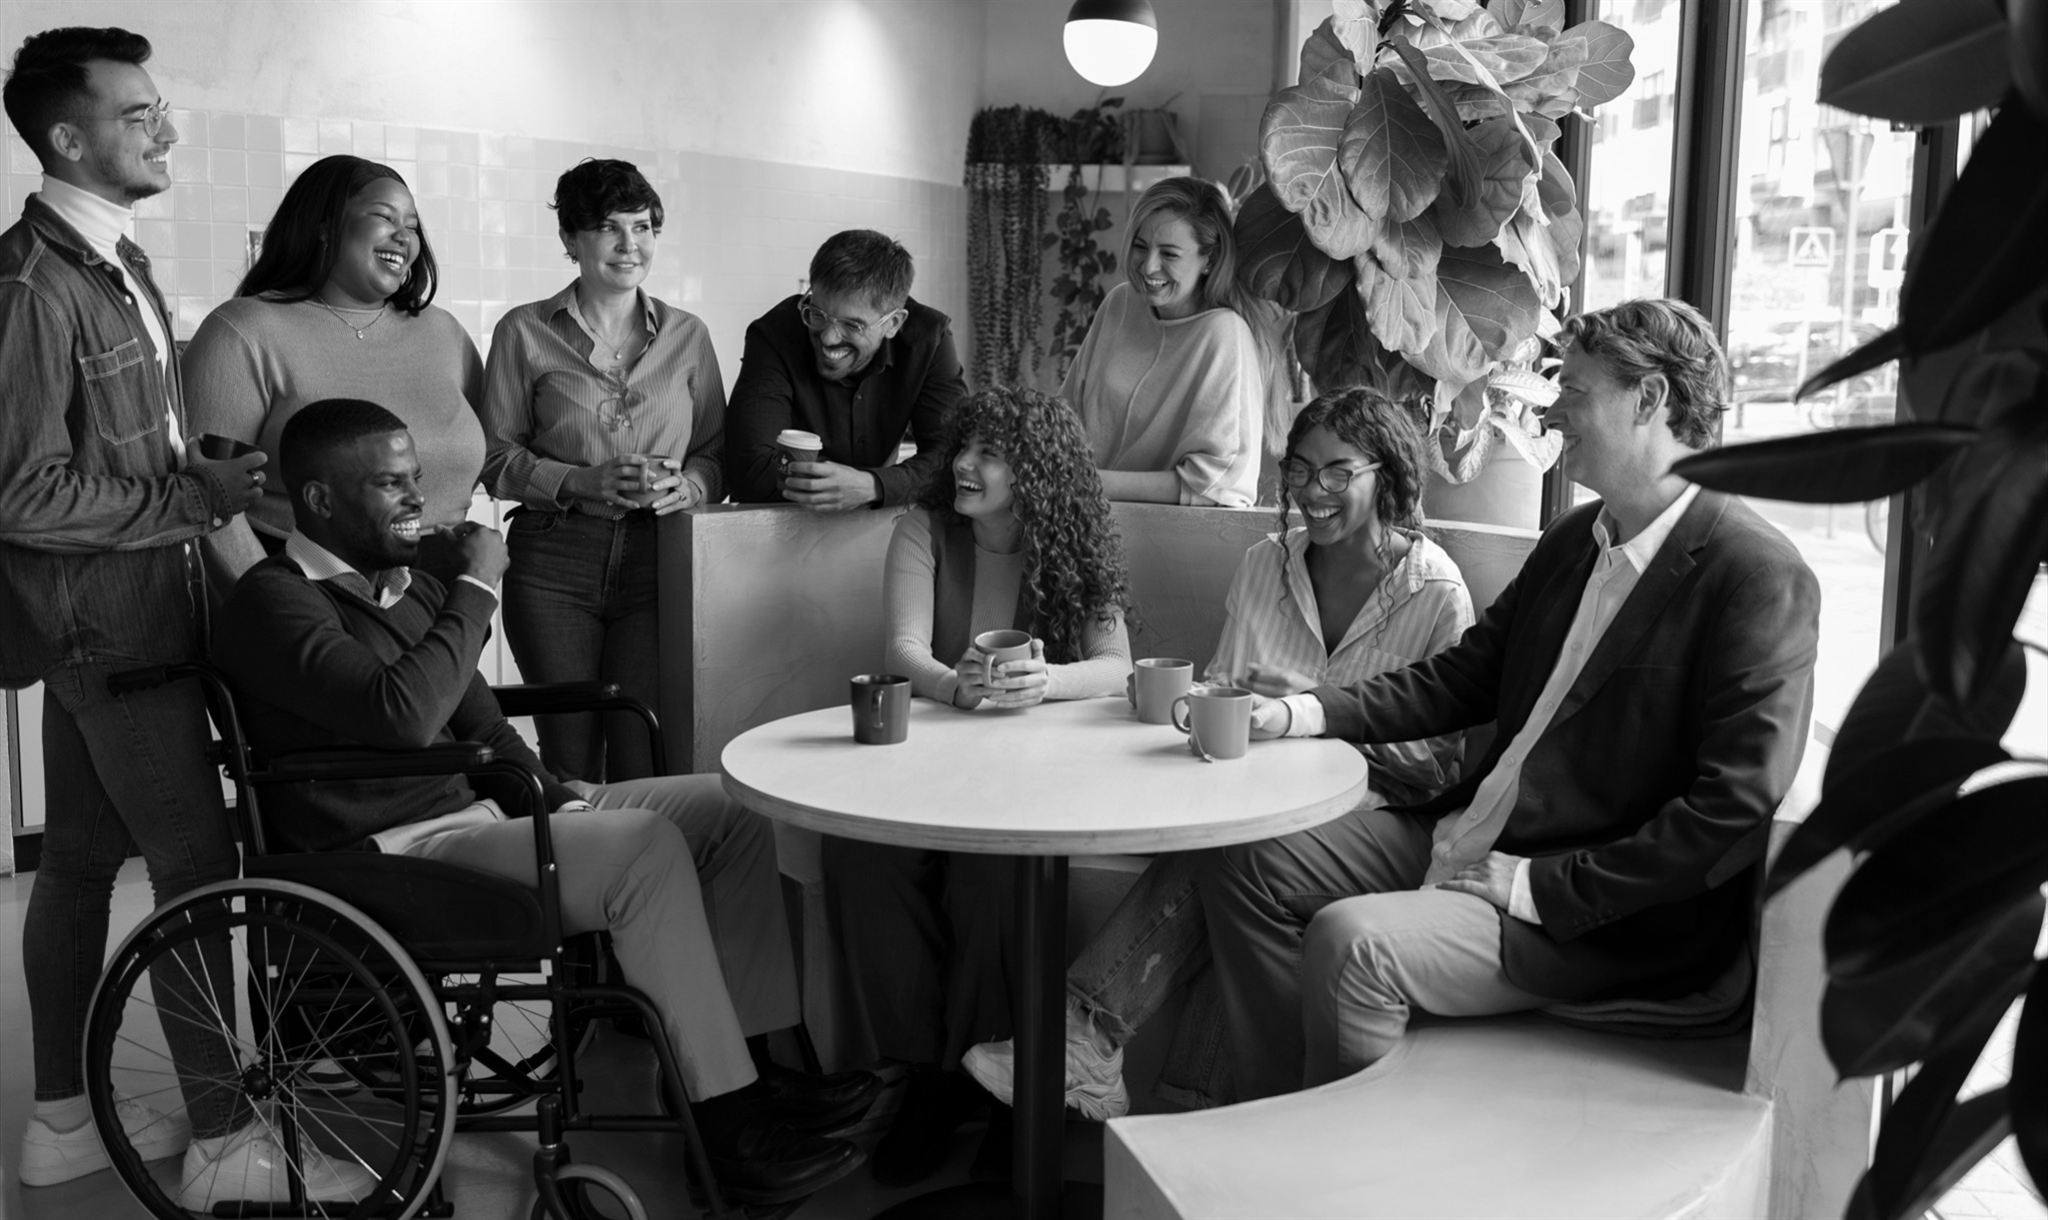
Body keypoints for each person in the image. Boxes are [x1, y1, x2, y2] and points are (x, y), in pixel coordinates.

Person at [213, 399, 879, 1206]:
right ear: (320, 500)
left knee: (730, 808)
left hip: (486, 817)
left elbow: (483, 727)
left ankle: (751, 1069)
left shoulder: (407, 590)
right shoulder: (275, 601)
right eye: (391, 484)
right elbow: (403, 712)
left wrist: (561, 802)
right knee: (643, 847)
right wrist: (471, 587)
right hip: (398, 853)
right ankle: (728, 1126)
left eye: (416, 478)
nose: (417, 497)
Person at [1201, 298, 1821, 1100]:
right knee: (1245, 862)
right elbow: (1462, 678)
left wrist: (1539, 887)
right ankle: (1284, 1109)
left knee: (1354, 942)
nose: (1552, 411)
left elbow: (1732, 807)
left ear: (1650, 399)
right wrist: (1306, 710)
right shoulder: (1573, 539)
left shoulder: (1756, 575)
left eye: (1576, 391)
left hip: (1587, 910)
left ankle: (1328, 1156)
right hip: (1471, 831)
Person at [961, 389, 1475, 1118]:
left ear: (1386, 475)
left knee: (1235, 853)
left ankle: (1086, 1035)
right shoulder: (1267, 564)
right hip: (1256, 797)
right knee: (1230, 849)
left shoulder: (1436, 592)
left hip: (1387, 820)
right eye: (1300, 470)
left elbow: (1436, 768)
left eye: (1338, 472)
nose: (1314, 491)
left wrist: (1313, 714)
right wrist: (1206, 704)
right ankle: (1180, 1103)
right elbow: (1227, 694)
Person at [0, 26, 301, 1206]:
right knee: (195, 864)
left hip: (119, 614)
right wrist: (189, 499)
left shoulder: (107, 258)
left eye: (160, 107)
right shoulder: (34, 283)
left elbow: (109, 446)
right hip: (108, 628)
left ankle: (61, 1121)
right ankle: (226, 1140)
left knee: (79, 865)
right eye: (139, 114)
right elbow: (22, 492)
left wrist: (197, 474)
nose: (164, 128)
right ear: (67, 139)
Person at [821, 386, 1134, 1184]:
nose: (964, 464)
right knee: (859, 859)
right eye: (965, 446)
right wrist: (957, 688)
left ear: (1035, 472)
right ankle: (924, 1080)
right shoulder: (923, 528)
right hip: (928, 767)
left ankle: (997, 1090)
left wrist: (1046, 682)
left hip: (1035, 778)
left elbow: (1115, 665)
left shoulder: (1070, 542)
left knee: (993, 877)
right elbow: (903, 650)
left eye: (990, 454)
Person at [481, 158, 721, 782]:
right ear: (570, 238)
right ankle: (570, 846)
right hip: (554, 561)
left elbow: (715, 452)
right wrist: (578, 481)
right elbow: (494, 457)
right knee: (570, 756)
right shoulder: (523, 331)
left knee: (643, 748)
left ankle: (640, 848)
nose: (628, 244)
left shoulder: (688, 336)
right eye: (608, 228)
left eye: (641, 227)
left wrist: (691, 485)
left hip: (660, 557)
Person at [184, 153, 484, 587]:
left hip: (449, 594)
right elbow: (209, 497)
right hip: (306, 590)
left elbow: (492, 455)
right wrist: (274, 604)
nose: (404, 237)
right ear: (324, 226)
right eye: (384, 217)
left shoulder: (445, 333)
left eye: (413, 225)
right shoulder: (243, 332)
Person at [723, 229, 965, 509]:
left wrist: (872, 486)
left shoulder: (929, 340)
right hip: (774, 523)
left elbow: (953, 458)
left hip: (879, 526)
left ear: (893, 323)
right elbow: (749, 471)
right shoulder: (773, 334)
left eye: (852, 325)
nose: (828, 338)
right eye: (817, 314)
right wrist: (872, 485)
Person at [1062, 176, 1264, 508]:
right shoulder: (1120, 304)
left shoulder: (1225, 334)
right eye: (1141, 247)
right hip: (1081, 519)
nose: (1148, 266)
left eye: (1169, 253)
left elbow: (1219, 484)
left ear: (1210, 260)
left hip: (1166, 532)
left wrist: (1090, 483)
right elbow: (1065, 414)